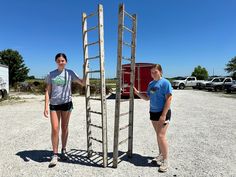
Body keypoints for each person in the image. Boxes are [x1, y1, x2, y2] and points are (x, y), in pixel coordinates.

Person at [44, 53, 85, 168]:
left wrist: (84, 70)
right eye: (58, 60)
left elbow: (83, 83)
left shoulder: (70, 73)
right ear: (56, 62)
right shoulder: (51, 74)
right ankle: (55, 154)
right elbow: (47, 91)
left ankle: (64, 150)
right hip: (54, 105)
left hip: (67, 104)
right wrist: (45, 106)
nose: (60, 62)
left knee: (65, 127)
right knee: (55, 129)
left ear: (66, 61)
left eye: (62, 60)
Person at [133, 64, 172, 172]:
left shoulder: (165, 83)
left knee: (161, 135)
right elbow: (147, 97)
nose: (153, 74)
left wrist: (163, 115)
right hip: (153, 112)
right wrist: (137, 93)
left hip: (162, 112)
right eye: (151, 72)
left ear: (160, 72)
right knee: (158, 135)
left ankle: (165, 160)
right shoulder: (151, 84)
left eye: (155, 72)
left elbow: (169, 99)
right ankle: (160, 155)